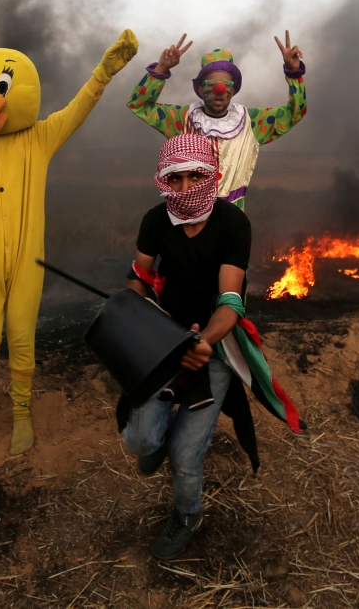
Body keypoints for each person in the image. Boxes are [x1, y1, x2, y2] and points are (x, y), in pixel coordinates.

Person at [0, 31, 139, 455]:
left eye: (0, 88)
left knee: (22, 336)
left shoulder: (39, 138)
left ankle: (23, 413)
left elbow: (75, 112)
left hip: (28, 259)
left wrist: (102, 75)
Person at [119, 133, 303, 560]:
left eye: (196, 176)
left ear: (213, 174)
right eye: (175, 178)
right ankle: (157, 438)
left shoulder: (232, 223)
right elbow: (138, 279)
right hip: (164, 339)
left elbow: (230, 300)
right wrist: (139, 316)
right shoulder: (154, 220)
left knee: (186, 454)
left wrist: (203, 341)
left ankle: (187, 515)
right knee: (142, 442)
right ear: (163, 180)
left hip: (216, 345)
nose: (185, 188)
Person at [126, 32, 307, 211]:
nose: (219, 90)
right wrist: (162, 68)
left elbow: (295, 112)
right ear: (200, 90)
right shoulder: (181, 118)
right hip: (187, 215)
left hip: (232, 218)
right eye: (211, 86)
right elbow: (139, 105)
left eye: (226, 85)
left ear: (233, 90)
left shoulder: (251, 121)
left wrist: (293, 73)